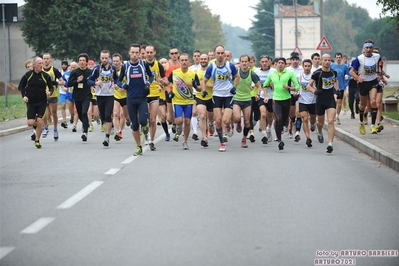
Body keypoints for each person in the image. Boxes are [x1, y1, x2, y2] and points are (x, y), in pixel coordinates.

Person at [117, 43, 153, 156]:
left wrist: (148, 83)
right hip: (130, 99)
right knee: (135, 125)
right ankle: (138, 146)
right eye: (132, 52)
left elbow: (151, 76)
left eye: (136, 52)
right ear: (129, 53)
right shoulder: (125, 66)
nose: (134, 55)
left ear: (139, 53)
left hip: (142, 98)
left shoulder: (143, 64)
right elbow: (118, 80)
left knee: (143, 121)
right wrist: (123, 86)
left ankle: (146, 126)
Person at [201, 44, 238, 152]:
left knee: (225, 120)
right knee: (218, 120)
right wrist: (203, 90)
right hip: (216, 95)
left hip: (228, 95)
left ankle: (227, 127)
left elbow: (237, 77)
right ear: (215, 54)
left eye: (222, 53)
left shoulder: (230, 66)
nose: (221, 55)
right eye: (218, 53)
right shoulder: (211, 67)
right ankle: (222, 143)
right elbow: (204, 81)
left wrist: (234, 87)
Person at [263, 57, 299, 150]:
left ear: (285, 64)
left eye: (282, 63)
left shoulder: (290, 73)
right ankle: (279, 140)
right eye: (279, 62)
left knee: (284, 120)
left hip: (287, 99)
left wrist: (289, 88)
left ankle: (283, 126)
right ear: (276, 64)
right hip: (276, 100)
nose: (280, 64)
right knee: (278, 119)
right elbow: (265, 85)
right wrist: (266, 96)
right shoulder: (272, 74)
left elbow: (297, 87)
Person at [166, 53, 200, 150]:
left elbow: (199, 89)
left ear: (189, 62)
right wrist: (169, 92)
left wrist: (195, 86)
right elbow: (167, 84)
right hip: (177, 101)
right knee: (179, 120)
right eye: (182, 60)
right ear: (179, 61)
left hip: (188, 101)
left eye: (186, 60)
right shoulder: (175, 73)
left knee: (188, 122)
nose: (184, 62)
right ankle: (178, 128)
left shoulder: (193, 74)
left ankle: (185, 141)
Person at [19, 57, 53, 148]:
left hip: (42, 102)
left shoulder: (45, 76)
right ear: (34, 65)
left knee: (40, 121)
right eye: (39, 63)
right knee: (30, 123)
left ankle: (37, 140)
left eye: (42, 63)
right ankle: (35, 124)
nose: (41, 65)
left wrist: (50, 92)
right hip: (31, 102)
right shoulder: (28, 75)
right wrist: (24, 96)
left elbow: (51, 87)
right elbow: (21, 86)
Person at [307, 53, 338, 153]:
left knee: (330, 121)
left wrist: (336, 92)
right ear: (321, 61)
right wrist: (315, 92)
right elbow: (308, 86)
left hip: (330, 100)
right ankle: (319, 131)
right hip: (320, 100)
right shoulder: (317, 73)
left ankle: (330, 144)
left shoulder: (334, 72)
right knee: (320, 123)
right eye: (325, 60)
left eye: (329, 60)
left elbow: (336, 83)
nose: (327, 62)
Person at [88, 50, 119, 147]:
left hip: (109, 95)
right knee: (102, 116)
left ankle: (107, 137)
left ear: (109, 58)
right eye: (103, 58)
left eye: (106, 58)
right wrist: (95, 83)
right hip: (99, 95)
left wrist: (117, 84)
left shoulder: (113, 68)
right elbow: (88, 80)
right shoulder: (97, 69)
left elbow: (117, 78)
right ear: (100, 58)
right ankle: (107, 127)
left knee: (108, 115)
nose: (104, 60)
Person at [350, 39, 381, 135]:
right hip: (363, 84)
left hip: (373, 82)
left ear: (372, 49)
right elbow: (351, 71)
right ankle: (361, 123)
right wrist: (357, 78)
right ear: (364, 49)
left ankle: (373, 125)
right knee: (363, 105)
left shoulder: (377, 56)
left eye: (370, 47)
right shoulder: (359, 59)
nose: (368, 49)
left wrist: (379, 73)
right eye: (366, 48)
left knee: (373, 102)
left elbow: (379, 66)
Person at [233, 55, 261, 148]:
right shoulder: (235, 72)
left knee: (247, 122)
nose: (244, 63)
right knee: (237, 118)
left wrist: (258, 94)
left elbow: (259, 85)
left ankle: (244, 138)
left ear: (249, 63)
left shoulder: (252, 74)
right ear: (240, 62)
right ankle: (238, 123)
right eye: (242, 61)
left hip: (247, 100)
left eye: (246, 61)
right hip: (237, 99)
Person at [145, 45, 166, 151]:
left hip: (154, 94)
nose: (149, 54)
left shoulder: (158, 65)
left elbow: (166, 80)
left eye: (150, 52)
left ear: (154, 53)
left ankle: (151, 141)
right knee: (144, 120)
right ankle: (145, 134)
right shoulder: (141, 64)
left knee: (153, 120)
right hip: (143, 94)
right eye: (147, 52)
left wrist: (163, 82)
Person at [68, 53, 93, 142]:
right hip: (77, 96)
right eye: (80, 60)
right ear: (78, 62)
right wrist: (77, 81)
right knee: (79, 115)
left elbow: (94, 81)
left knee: (83, 112)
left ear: (86, 62)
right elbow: (69, 84)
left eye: (83, 61)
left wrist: (93, 86)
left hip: (86, 95)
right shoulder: (75, 72)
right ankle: (86, 124)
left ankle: (85, 133)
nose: (82, 62)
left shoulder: (90, 72)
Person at [42, 53, 65, 141]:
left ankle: (55, 129)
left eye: (47, 58)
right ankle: (46, 128)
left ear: (50, 59)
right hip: (43, 94)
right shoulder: (40, 70)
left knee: (53, 113)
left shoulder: (54, 70)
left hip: (53, 94)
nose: (46, 60)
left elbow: (62, 81)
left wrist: (56, 83)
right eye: (44, 58)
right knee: (43, 112)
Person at [195, 53, 214, 147]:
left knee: (211, 118)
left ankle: (211, 124)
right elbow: (197, 87)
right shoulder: (197, 72)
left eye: (204, 59)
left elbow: (216, 84)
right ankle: (204, 137)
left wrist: (206, 85)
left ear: (208, 60)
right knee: (202, 116)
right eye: (201, 59)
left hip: (211, 97)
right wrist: (198, 87)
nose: (203, 60)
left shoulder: (212, 71)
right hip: (200, 97)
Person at [255, 55, 275, 143]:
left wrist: (272, 84)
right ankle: (264, 134)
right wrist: (254, 90)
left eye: (266, 61)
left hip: (272, 96)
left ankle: (269, 128)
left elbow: (277, 85)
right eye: (262, 62)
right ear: (260, 63)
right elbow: (254, 83)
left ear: (269, 62)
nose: (264, 63)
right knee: (263, 114)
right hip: (261, 96)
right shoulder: (256, 72)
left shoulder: (274, 72)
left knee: (270, 116)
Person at [297, 59, 316, 147]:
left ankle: (312, 124)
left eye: (309, 66)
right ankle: (308, 138)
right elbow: (296, 86)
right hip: (302, 101)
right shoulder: (299, 76)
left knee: (312, 119)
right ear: (303, 66)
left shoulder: (314, 76)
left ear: (311, 67)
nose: (307, 68)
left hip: (313, 101)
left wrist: (316, 90)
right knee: (304, 119)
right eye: (306, 66)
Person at [286, 52, 304, 140]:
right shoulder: (287, 70)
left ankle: (297, 132)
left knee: (298, 113)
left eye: (296, 60)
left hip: (300, 94)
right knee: (292, 114)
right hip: (290, 94)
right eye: (293, 60)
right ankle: (292, 122)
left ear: (299, 61)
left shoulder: (302, 70)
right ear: (291, 60)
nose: (295, 61)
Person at [112, 53, 129, 141]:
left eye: (117, 61)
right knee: (115, 114)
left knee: (123, 114)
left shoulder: (125, 70)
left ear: (121, 61)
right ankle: (117, 131)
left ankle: (121, 130)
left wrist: (124, 88)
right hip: (116, 96)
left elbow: (129, 82)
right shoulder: (112, 71)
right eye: (114, 61)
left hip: (125, 96)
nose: (115, 63)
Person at [165, 47, 181, 135]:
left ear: (178, 54)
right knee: (169, 118)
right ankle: (174, 122)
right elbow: (160, 77)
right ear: (169, 55)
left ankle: (177, 123)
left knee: (179, 112)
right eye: (172, 53)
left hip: (179, 92)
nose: (174, 55)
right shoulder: (166, 65)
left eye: (175, 53)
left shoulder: (181, 64)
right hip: (169, 92)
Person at [331, 52, 350, 125]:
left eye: (339, 57)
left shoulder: (345, 66)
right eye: (337, 57)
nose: (338, 59)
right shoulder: (332, 66)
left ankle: (337, 116)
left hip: (341, 87)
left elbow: (348, 75)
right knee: (333, 102)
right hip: (332, 87)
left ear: (341, 58)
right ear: (335, 58)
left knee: (339, 103)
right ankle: (332, 116)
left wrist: (347, 79)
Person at [61, 62, 79, 132]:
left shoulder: (79, 74)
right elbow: (61, 82)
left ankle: (74, 125)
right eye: (71, 67)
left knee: (76, 110)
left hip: (77, 95)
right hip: (69, 95)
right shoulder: (66, 75)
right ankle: (72, 116)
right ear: (69, 67)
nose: (73, 69)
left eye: (74, 67)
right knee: (72, 112)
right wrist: (63, 87)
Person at [158, 58, 171, 141]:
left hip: (170, 94)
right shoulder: (156, 73)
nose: (163, 64)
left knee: (171, 116)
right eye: (161, 62)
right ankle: (167, 133)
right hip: (161, 95)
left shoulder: (171, 72)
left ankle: (175, 125)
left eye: (165, 62)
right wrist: (158, 85)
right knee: (163, 116)